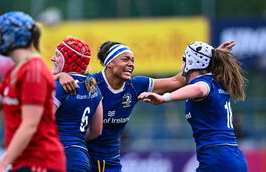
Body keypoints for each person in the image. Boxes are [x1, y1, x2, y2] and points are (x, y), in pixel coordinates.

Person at [57, 40, 235, 171]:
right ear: (110, 63)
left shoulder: (136, 85)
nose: (131, 64)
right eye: (126, 59)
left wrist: (210, 58)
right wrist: (60, 76)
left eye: (133, 60)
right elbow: (61, 82)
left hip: (109, 160)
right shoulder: (92, 83)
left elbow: (176, 81)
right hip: (81, 156)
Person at [0, 11, 65, 172]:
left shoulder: (33, 70)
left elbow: (30, 125)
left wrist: (2, 164)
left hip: (41, 163)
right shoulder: (14, 72)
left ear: (11, 35)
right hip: (23, 163)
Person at [138, 41, 248, 172]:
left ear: (191, 62)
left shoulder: (202, 83)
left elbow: (200, 89)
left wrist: (164, 98)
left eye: (184, 59)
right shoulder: (215, 80)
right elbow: (185, 81)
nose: (182, 64)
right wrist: (213, 55)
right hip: (233, 155)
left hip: (217, 158)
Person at [51, 37, 103, 172]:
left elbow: (42, 122)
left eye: (57, 55)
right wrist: (75, 139)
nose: (52, 58)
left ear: (69, 60)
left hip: (59, 157)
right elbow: (97, 130)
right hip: (81, 157)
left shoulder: (60, 87)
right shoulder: (94, 87)